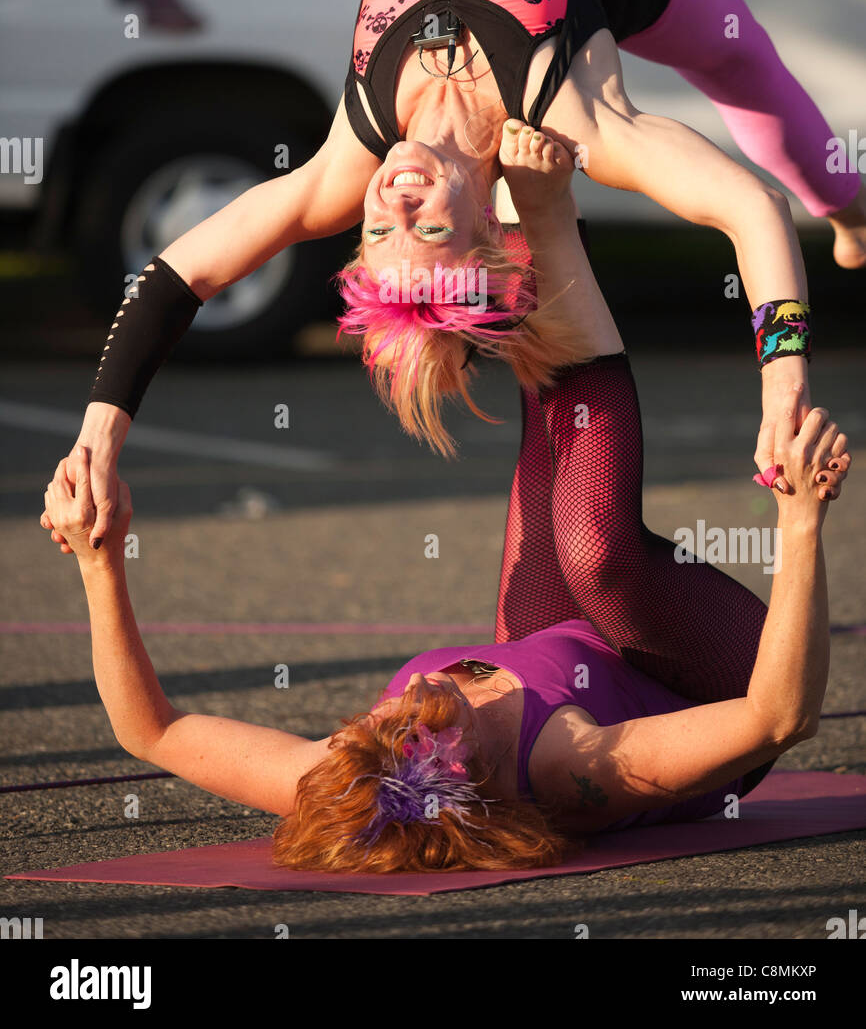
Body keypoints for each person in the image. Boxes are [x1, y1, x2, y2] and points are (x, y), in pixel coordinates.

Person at [42, 0, 858, 545]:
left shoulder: (344, 160)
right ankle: (855, 207)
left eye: (378, 231)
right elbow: (751, 208)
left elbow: (174, 276)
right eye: (427, 228)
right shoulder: (570, 116)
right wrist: (785, 379)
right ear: (489, 226)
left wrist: (98, 434)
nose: (393, 201)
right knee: (747, 70)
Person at [41, 132, 850, 872]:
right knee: (595, 555)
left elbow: (152, 732)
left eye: (386, 721)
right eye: (429, 723)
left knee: (552, 435)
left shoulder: (364, 763)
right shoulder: (572, 771)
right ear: (479, 776)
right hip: (714, 681)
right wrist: (800, 519)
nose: (407, 704)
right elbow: (779, 717)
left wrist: (98, 561)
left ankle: (496, 199)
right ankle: (543, 210)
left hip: (561, 647)